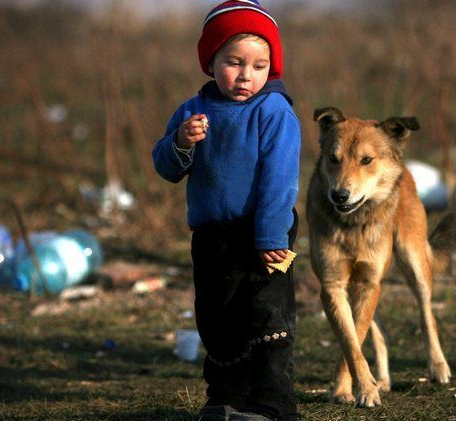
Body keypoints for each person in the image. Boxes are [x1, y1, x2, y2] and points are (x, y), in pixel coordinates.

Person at [152, 1, 300, 420]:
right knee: (217, 319)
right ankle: (224, 399)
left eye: (259, 65)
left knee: (266, 318)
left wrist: (272, 236)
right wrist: (181, 142)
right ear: (211, 61)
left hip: (263, 235)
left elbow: (281, 180)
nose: (246, 75)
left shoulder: (273, 112)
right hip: (212, 237)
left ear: (271, 67)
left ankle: (271, 405)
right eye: (234, 63)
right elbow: (165, 167)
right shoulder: (192, 111)